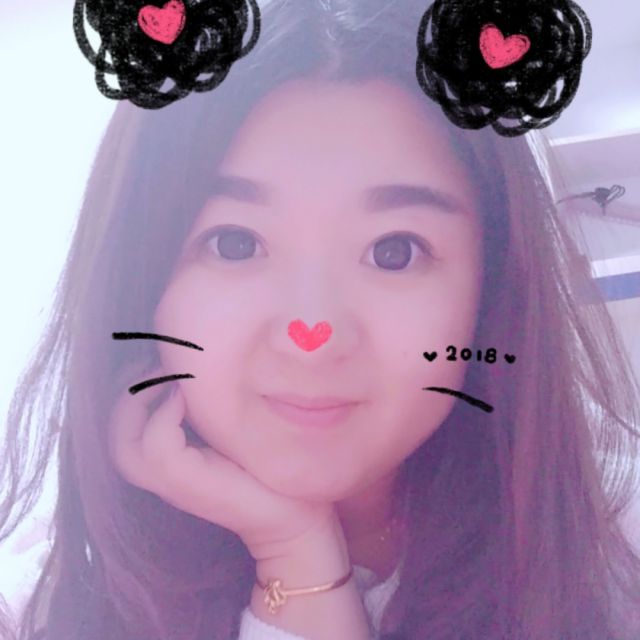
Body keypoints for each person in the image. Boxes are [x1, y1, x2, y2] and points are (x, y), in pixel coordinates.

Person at [1, 0, 640, 638]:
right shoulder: (43, 604)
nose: (312, 335)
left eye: (394, 252)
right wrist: (293, 551)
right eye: (235, 244)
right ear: (138, 277)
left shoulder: (612, 548)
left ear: (492, 282)